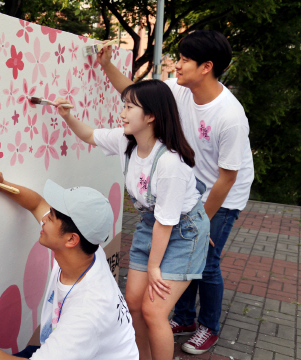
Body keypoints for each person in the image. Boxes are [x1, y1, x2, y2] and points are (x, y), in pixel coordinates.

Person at [97, 30, 254, 354]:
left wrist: (202, 223)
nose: (177, 65)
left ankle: (208, 325)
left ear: (206, 67)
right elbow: (137, 94)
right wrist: (107, 65)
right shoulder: (179, 90)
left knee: (207, 260)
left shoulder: (230, 116)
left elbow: (227, 177)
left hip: (221, 194)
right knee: (181, 265)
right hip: (185, 185)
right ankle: (182, 317)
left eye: (184, 60)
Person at [56, 79, 210, 360]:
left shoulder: (169, 163)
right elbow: (89, 135)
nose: (122, 113)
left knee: (154, 311)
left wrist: (154, 268)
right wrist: (67, 116)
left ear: (151, 115)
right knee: (133, 305)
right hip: (151, 226)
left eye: (129, 107)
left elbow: (167, 222)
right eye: (124, 105)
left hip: (183, 232)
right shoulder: (126, 140)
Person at [0, 170, 139, 360]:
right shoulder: (88, 248)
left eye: (51, 217)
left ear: (71, 239)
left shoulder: (86, 313)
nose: (43, 218)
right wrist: (1, 185)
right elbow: (36, 204)